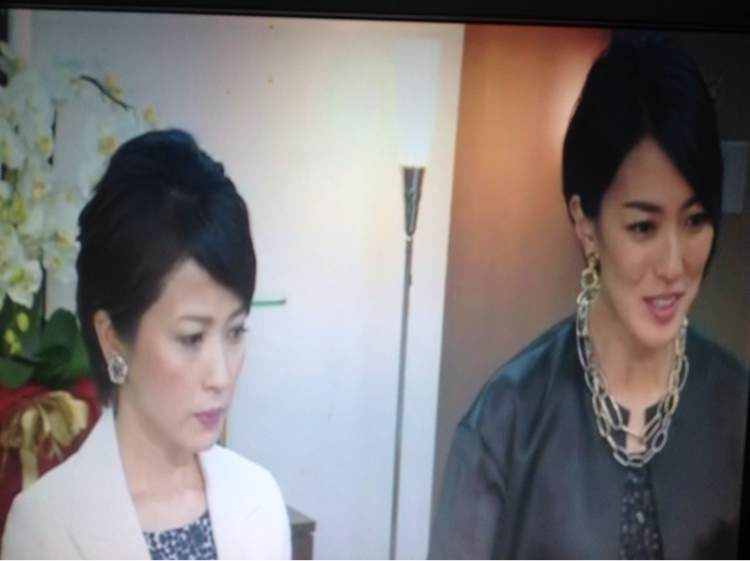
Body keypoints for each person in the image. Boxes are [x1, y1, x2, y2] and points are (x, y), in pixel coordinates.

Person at [429, 34, 748, 559]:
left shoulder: (735, 406)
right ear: (585, 223)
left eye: (695, 220)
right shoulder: (506, 422)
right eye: (643, 227)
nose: (674, 265)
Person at [2, 129, 291, 559]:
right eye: (191, 338)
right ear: (111, 338)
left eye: (234, 332)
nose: (222, 375)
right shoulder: (46, 528)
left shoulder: (259, 499)